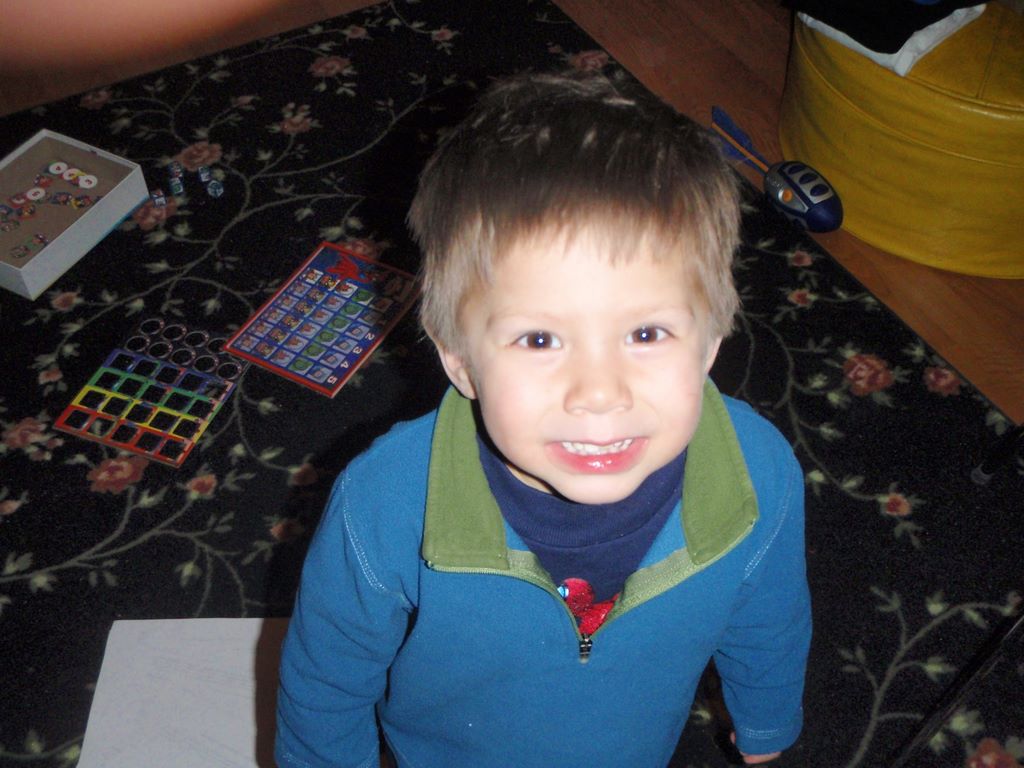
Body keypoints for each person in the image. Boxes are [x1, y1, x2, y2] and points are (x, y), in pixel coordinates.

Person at [275, 70, 812, 768]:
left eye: (646, 333)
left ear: (710, 342)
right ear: (460, 361)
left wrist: (767, 716)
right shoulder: (385, 502)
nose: (599, 393)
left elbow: (771, 614)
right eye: (539, 339)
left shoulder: (757, 472)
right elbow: (326, 679)